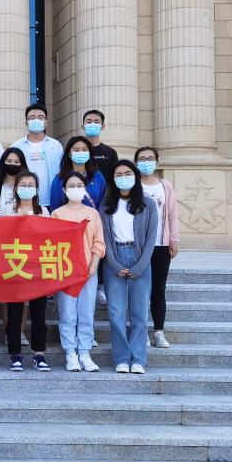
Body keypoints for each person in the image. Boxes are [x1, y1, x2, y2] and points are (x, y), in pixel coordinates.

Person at [100, 160, 160, 374]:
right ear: (113, 179)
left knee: (139, 313)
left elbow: (151, 237)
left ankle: (138, 359)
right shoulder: (106, 205)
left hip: (139, 257)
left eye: (127, 173)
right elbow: (105, 237)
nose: (123, 178)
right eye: (118, 174)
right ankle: (122, 358)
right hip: (114, 257)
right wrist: (114, 263)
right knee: (116, 313)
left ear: (135, 176)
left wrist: (141, 265)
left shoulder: (148, 204)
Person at [51, 171, 106, 373]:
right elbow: (52, 243)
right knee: (67, 313)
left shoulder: (93, 214)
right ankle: (70, 353)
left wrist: (93, 265)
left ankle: (84, 352)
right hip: (66, 272)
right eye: (71, 186)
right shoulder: (57, 214)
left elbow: (98, 242)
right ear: (64, 190)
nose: (76, 189)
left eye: (79, 186)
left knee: (86, 313)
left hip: (87, 271)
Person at [0, 170, 51, 372]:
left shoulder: (43, 211)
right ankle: (15, 354)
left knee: (39, 314)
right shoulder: (7, 210)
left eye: (31, 185)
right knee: (14, 313)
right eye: (23, 185)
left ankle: (39, 354)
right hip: (15, 266)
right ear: (16, 188)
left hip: (38, 268)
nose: (27, 188)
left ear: (37, 189)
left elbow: (50, 238)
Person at [135, 146, 180, 349]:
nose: (146, 162)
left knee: (158, 289)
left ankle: (159, 332)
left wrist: (174, 239)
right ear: (136, 163)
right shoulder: (134, 185)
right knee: (140, 289)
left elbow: (172, 214)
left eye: (150, 158)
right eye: (142, 159)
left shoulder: (165, 185)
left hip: (161, 245)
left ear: (157, 162)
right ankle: (141, 331)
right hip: (139, 247)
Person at [11, 103, 63, 209]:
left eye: (40, 117)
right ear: (26, 123)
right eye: (32, 117)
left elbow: (63, 170)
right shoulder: (17, 146)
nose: (36, 120)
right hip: (25, 200)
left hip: (51, 199)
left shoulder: (56, 145)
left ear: (46, 122)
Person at [49, 136, 107, 210]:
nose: (81, 152)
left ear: (89, 153)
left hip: (92, 217)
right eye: (76, 150)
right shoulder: (58, 180)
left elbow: (101, 203)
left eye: (84, 150)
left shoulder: (97, 176)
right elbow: (55, 208)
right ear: (69, 154)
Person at [0, 147, 29, 217]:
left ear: (22, 164)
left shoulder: (27, 187)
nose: (12, 164)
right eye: (9, 161)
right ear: (3, 162)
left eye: (16, 162)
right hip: (0, 222)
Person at [82, 109, 119, 181]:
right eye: (89, 122)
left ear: (102, 127)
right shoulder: (76, 151)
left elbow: (114, 177)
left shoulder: (110, 152)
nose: (92, 124)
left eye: (96, 122)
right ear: (83, 127)